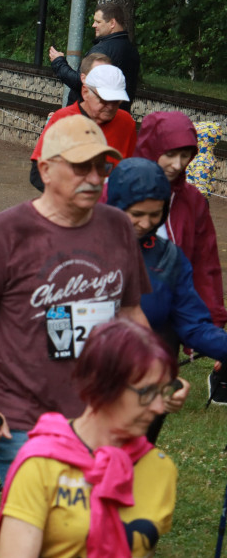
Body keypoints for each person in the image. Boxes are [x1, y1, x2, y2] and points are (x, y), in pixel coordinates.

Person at [0, 115, 152, 482]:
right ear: (45, 169)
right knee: (49, 530)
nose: (94, 178)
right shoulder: (9, 231)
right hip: (25, 419)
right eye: (80, 167)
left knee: (94, 527)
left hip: (101, 414)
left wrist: (156, 378)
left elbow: (130, 312)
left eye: (101, 167)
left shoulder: (118, 227)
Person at [0, 320, 179, 558]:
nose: (160, 407)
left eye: (163, 392)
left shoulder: (160, 469)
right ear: (103, 385)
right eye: (147, 393)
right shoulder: (41, 464)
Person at [107, 157, 227, 440]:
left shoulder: (169, 257)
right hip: (80, 388)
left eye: (156, 214)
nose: (146, 223)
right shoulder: (81, 246)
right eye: (136, 214)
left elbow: (195, 326)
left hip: (145, 390)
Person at [133, 110, 227, 328]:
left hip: (166, 316)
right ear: (152, 146)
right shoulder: (116, 188)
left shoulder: (192, 200)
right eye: (170, 154)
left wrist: (213, 320)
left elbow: (205, 259)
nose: (178, 164)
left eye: (185, 155)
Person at [29, 57, 135, 191]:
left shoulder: (126, 122)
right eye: (104, 100)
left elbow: (131, 172)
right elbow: (38, 174)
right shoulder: (62, 119)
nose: (110, 107)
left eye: (116, 101)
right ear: (85, 92)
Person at [50, 2, 141, 109]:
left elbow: (81, 83)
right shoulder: (131, 49)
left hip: (92, 115)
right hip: (118, 112)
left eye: (98, 22)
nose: (93, 25)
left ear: (112, 23)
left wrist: (58, 62)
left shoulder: (102, 50)